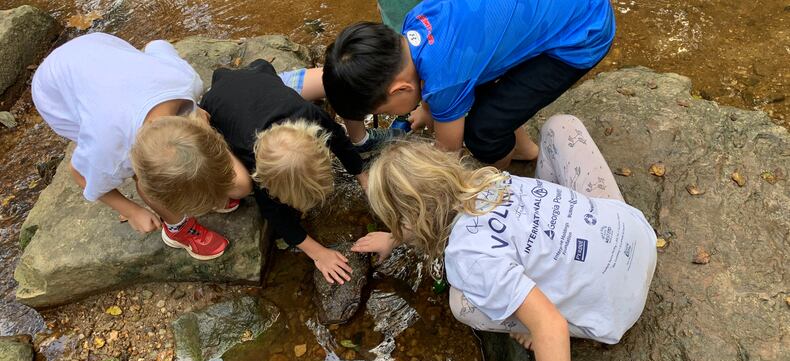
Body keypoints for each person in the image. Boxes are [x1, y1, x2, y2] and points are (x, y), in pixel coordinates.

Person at [352, 115, 657, 361]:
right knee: (560, 127)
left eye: (396, 222)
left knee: (462, 303)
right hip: (633, 236)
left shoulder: (468, 259)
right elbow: (429, 210)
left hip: (615, 307)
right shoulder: (487, 180)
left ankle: (545, 324)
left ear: (410, 221)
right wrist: (396, 235)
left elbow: (550, 323)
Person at [32, 33, 251, 260]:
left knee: (239, 184)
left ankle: (197, 184)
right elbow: (79, 174)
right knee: (113, 157)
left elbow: (157, 45)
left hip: (99, 47)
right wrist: (131, 210)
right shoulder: (110, 151)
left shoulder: (186, 81)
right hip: (53, 93)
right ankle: (177, 228)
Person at [322, 0, 615, 169]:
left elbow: (448, 153)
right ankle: (526, 151)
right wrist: (428, 111)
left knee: (482, 132)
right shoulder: (416, 21)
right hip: (566, 9)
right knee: (483, 90)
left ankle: (495, 179)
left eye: (385, 108)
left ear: (399, 89)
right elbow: (430, 73)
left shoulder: (444, 81)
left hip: (581, 35)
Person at [200, 59, 368, 284]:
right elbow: (277, 217)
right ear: (268, 184)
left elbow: (339, 140)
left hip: (255, 81)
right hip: (214, 103)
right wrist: (318, 252)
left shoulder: (311, 114)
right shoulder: (254, 161)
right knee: (233, 177)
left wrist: (364, 178)